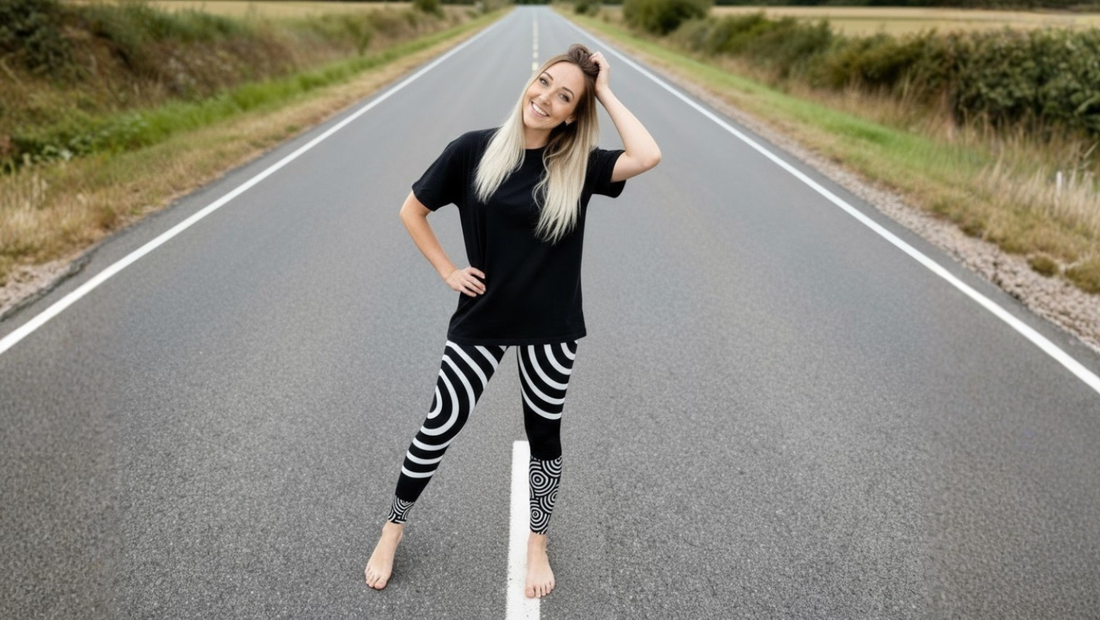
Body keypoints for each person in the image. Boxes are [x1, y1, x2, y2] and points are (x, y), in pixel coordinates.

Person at [365, 43, 661, 599]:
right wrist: (447, 270)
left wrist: (606, 91)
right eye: (544, 83)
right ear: (531, 81)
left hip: (551, 328)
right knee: (439, 426)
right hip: (483, 319)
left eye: (565, 96)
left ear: (576, 111)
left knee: (544, 437)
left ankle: (537, 545)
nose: (546, 99)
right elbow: (412, 210)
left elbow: (646, 155)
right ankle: (391, 530)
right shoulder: (474, 150)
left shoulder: (579, 165)